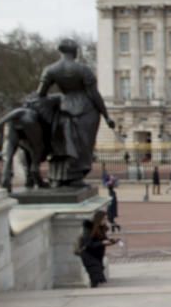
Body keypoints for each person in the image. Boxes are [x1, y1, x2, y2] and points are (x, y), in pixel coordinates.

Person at [34, 38, 116, 186]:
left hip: (64, 108)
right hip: (86, 110)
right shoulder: (83, 69)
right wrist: (106, 115)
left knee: (63, 144)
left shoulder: (50, 69)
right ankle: (76, 177)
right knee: (83, 146)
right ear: (74, 52)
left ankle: (57, 178)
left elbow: (40, 94)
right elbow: (94, 95)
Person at [75, 211, 116, 287]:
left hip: (97, 255)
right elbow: (89, 244)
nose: (105, 221)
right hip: (88, 255)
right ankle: (93, 289)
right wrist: (102, 243)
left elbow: (103, 239)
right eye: (104, 219)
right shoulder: (89, 228)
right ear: (98, 219)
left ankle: (93, 288)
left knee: (97, 276)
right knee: (96, 274)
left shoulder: (102, 228)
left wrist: (112, 241)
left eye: (106, 219)